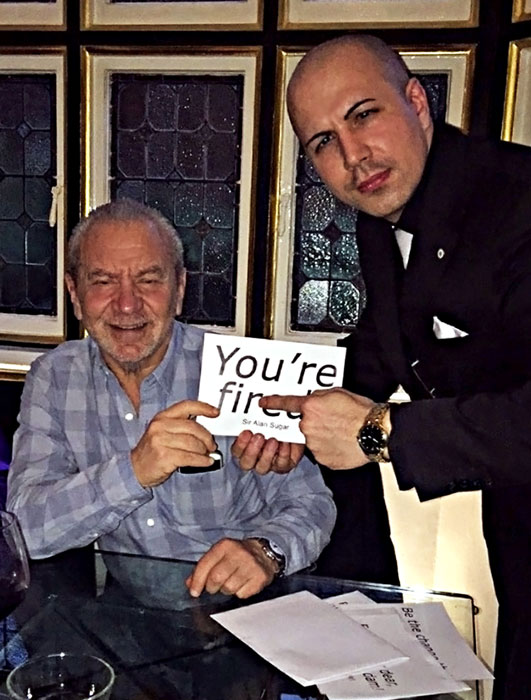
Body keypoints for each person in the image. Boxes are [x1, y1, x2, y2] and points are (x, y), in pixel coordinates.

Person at [260, 35, 531, 700]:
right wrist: (290, 414)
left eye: (363, 115)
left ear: (416, 101)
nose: (353, 156)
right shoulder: (384, 212)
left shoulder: (520, 199)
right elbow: (386, 343)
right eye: (324, 141)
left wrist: (379, 432)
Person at [7, 199, 336, 601]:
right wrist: (134, 471)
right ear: (74, 293)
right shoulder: (55, 377)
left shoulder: (241, 369)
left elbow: (313, 505)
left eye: (148, 280)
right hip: (126, 613)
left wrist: (266, 552)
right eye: (103, 282)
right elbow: (24, 530)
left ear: (179, 289)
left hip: (244, 609)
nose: (127, 304)